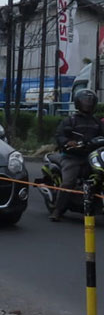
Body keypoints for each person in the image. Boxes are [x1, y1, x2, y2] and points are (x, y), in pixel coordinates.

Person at [50, 89, 104, 221]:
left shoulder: (97, 122)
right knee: (69, 181)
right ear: (78, 103)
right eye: (85, 101)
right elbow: (60, 135)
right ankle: (58, 210)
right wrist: (68, 142)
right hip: (73, 157)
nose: (88, 103)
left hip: (92, 156)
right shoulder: (70, 120)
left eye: (90, 101)